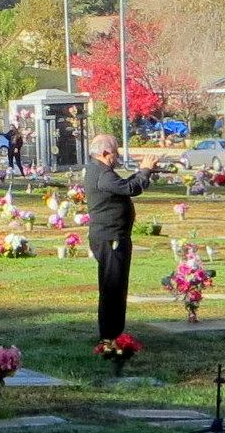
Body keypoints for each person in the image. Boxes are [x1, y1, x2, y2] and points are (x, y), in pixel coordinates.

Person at [84, 134, 159, 342]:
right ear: (105, 153)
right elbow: (130, 189)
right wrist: (144, 170)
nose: (117, 156)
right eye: (115, 152)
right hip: (111, 238)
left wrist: (143, 173)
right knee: (113, 288)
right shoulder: (103, 174)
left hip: (110, 236)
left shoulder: (98, 171)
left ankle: (112, 333)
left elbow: (123, 185)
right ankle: (110, 336)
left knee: (114, 286)